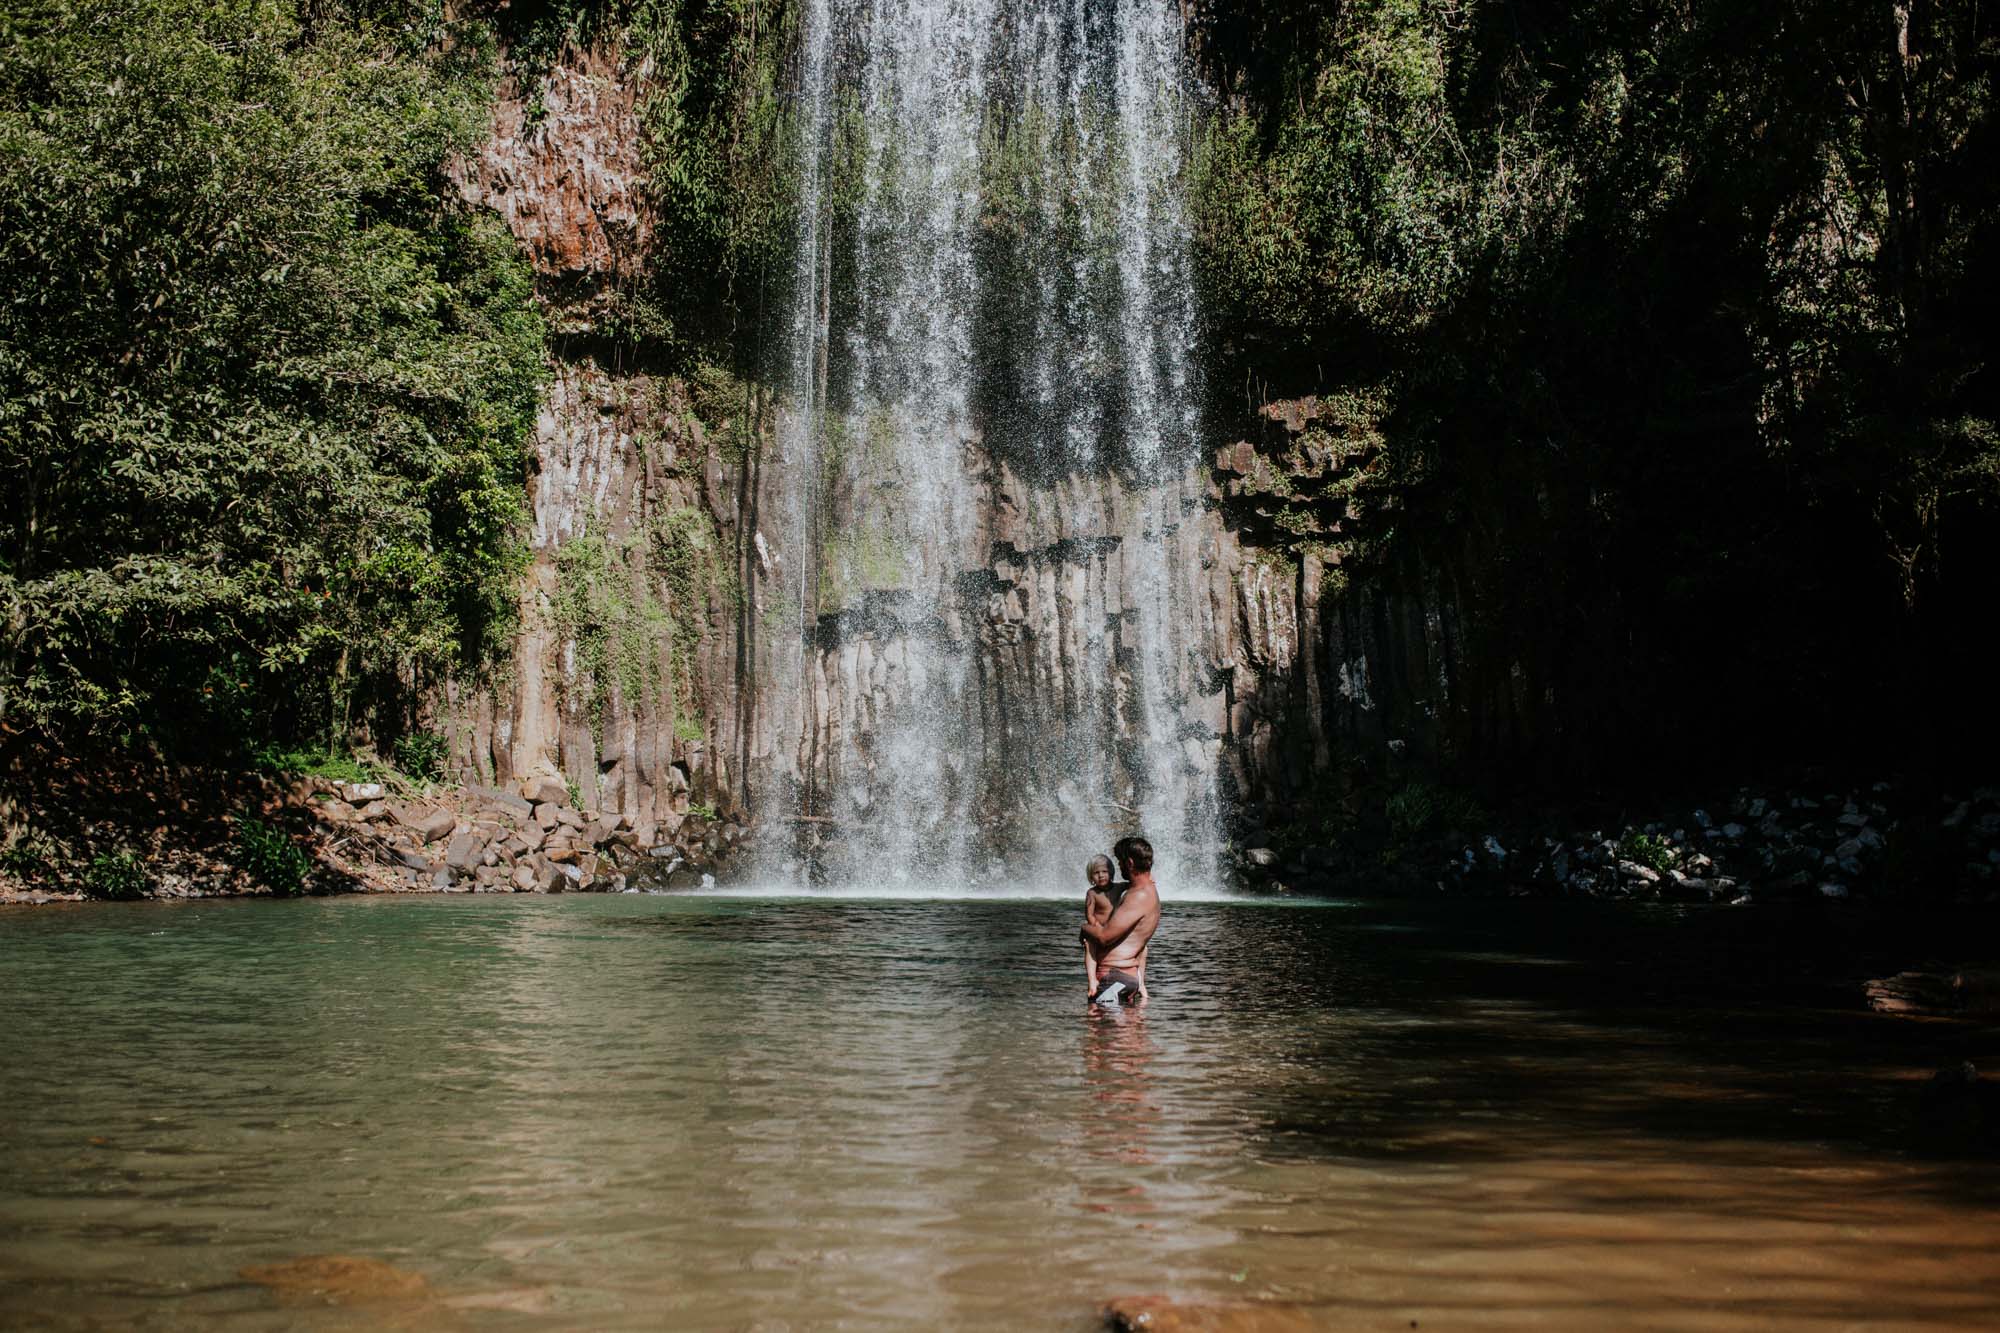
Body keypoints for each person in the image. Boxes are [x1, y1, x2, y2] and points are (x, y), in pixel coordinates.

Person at [1080, 836, 1160, 1006]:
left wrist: (1084, 928)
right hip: (1124, 978)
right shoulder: (1144, 890)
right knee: (1125, 1032)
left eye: (1120, 862)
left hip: (1114, 979)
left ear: (1130, 863)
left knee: (1095, 1028)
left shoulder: (1138, 896)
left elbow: (1104, 937)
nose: (1119, 867)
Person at [1081, 854, 1119, 996]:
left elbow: (1135, 884)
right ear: (1091, 877)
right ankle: (1092, 980)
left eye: (1104, 871)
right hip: (1099, 929)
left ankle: (1140, 983)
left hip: (1115, 929)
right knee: (1089, 944)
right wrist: (1095, 925)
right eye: (1096, 873)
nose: (1101, 875)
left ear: (1111, 873)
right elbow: (1089, 914)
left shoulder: (1118, 888)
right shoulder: (1092, 893)